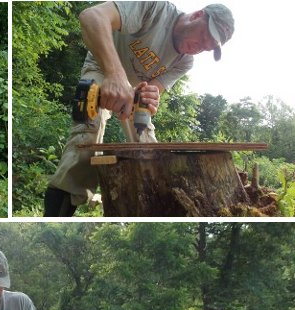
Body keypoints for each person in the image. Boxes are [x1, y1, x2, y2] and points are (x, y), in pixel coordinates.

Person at [44, 2, 235, 216]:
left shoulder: (185, 62)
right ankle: (59, 207)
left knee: (149, 149)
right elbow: (91, 17)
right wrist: (115, 74)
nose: (200, 47)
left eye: (206, 48)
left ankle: (157, 204)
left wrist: (151, 98)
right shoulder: (153, 8)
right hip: (102, 67)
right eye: (203, 38)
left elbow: (153, 89)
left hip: (133, 88)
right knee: (86, 136)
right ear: (197, 16)